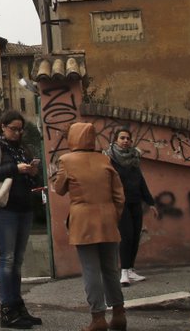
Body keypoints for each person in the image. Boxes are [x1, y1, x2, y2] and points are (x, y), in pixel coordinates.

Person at [51, 122, 126, 331]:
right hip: (108, 218)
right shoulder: (105, 159)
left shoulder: (66, 160)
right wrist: (114, 215)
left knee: (91, 269)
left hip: (83, 220)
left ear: (73, 138)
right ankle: (119, 314)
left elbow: (59, 189)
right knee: (111, 269)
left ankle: (98, 318)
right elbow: (119, 195)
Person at [0, 110, 42, 329]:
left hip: (24, 208)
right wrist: (15, 169)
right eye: (13, 128)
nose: (17, 132)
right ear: (3, 127)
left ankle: (18, 307)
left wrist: (32, 171)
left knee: (18, 261)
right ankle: (7, 310)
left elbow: (34, 179)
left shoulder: (23, 150)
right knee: (7, 258)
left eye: (20, 129)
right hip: (4, 209)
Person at [104, 127, 158, 286]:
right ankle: (124, 272)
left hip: (135, 201)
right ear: (116, 140)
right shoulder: (109, 158)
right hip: (120, 203)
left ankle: (131, 269)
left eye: (128, 138)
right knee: (126, 236)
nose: (126, 141)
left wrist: (150, 202)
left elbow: (141, 181)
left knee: (135, 236)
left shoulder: (134, 158)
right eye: (122, 138)